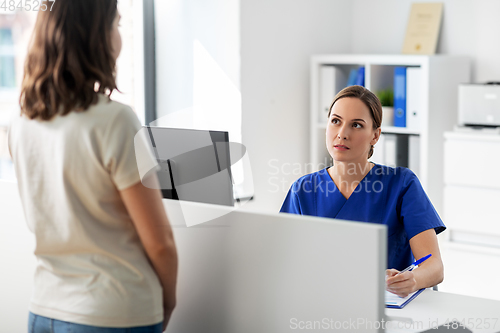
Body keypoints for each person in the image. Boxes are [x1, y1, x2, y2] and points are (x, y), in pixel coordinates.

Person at [8, 1, 177, 332]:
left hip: (44, 309)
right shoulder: (116, 121)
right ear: (94, 35)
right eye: (115, 24)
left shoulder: (21, 123)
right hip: (113, 313)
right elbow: (159, 242)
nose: (119, 36)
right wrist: (168, 300)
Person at [280, 85, 445, 298]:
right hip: (322, 302)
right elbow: (283, 262)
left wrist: (413, 280)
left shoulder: (401, 184)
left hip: (386, 307)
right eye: (335, 121)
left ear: (375, 136)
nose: (342, 134)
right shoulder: (303, 190)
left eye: (356, 125)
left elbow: (435, 267)